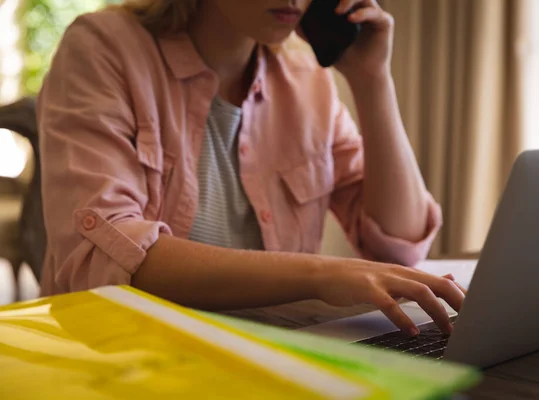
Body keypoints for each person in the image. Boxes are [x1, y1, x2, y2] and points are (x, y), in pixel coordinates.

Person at [38, 0, 464, 336]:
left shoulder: (305, 76)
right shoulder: (102, 48)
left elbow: (400, 245)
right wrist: (322, 273)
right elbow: (110, 256)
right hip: (122, 358)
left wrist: (373, 81)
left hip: (270, 351)